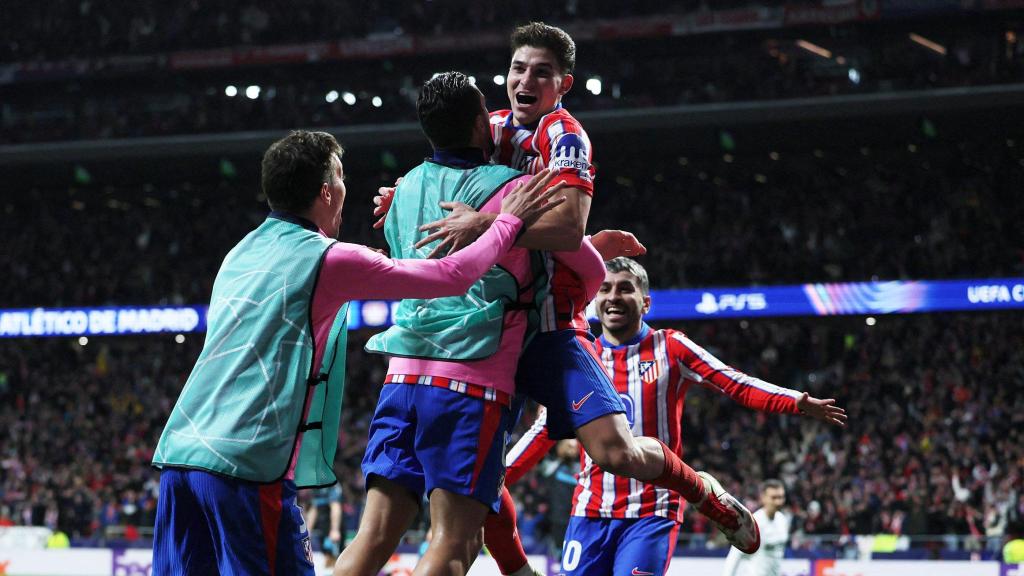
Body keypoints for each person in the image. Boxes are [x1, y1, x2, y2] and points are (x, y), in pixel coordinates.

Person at [374, 23, 765, 562]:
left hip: (551, 321)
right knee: (486, 473)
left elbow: (565, 226)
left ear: (564, 84)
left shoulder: (566, 136)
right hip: (486, 329)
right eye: (517, 68)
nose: (525, 79)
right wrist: (403, 195)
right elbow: (445, 175)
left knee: (615, 452)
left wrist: (485, 225)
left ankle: (702, 491)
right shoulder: (485, 125)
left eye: (541, 72)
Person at [149, 129, 562, 576]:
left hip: (179, 456)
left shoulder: (240, 251)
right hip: (244, 466)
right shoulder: (332, 258)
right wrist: (506, 222)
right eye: (342, 177)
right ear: (327, 191)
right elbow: (453, 275)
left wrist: (373, 262)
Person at [490, 258, 846, 576]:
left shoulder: (670, 346)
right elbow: (543, 429)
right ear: (595, 303)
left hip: (652, 509)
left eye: (625, 288)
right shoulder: (580, 357)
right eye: (606, 289)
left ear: (645, 302)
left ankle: (700, 489)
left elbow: (734, 382)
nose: (613, 296)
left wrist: (794, 401)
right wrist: (496, 478)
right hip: (590, 510)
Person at [722, 480, 792, 576]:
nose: (778, 502)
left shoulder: (783, 520)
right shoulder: (753, 523)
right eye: (774, 498)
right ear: (763, 498)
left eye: (781, 497)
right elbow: (734, 556)